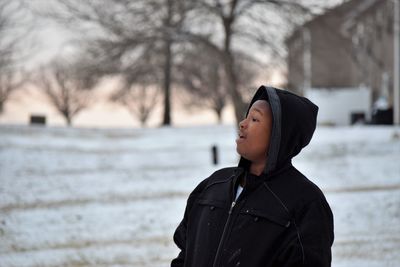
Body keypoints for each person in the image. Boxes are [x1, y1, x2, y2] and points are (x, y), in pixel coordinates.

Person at [171, 86, 334, 267]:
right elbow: (185, 255)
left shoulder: (305, 202)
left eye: (255, 119)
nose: (243, 123)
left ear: (280, 134)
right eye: (246, 116)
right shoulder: (212, 186)